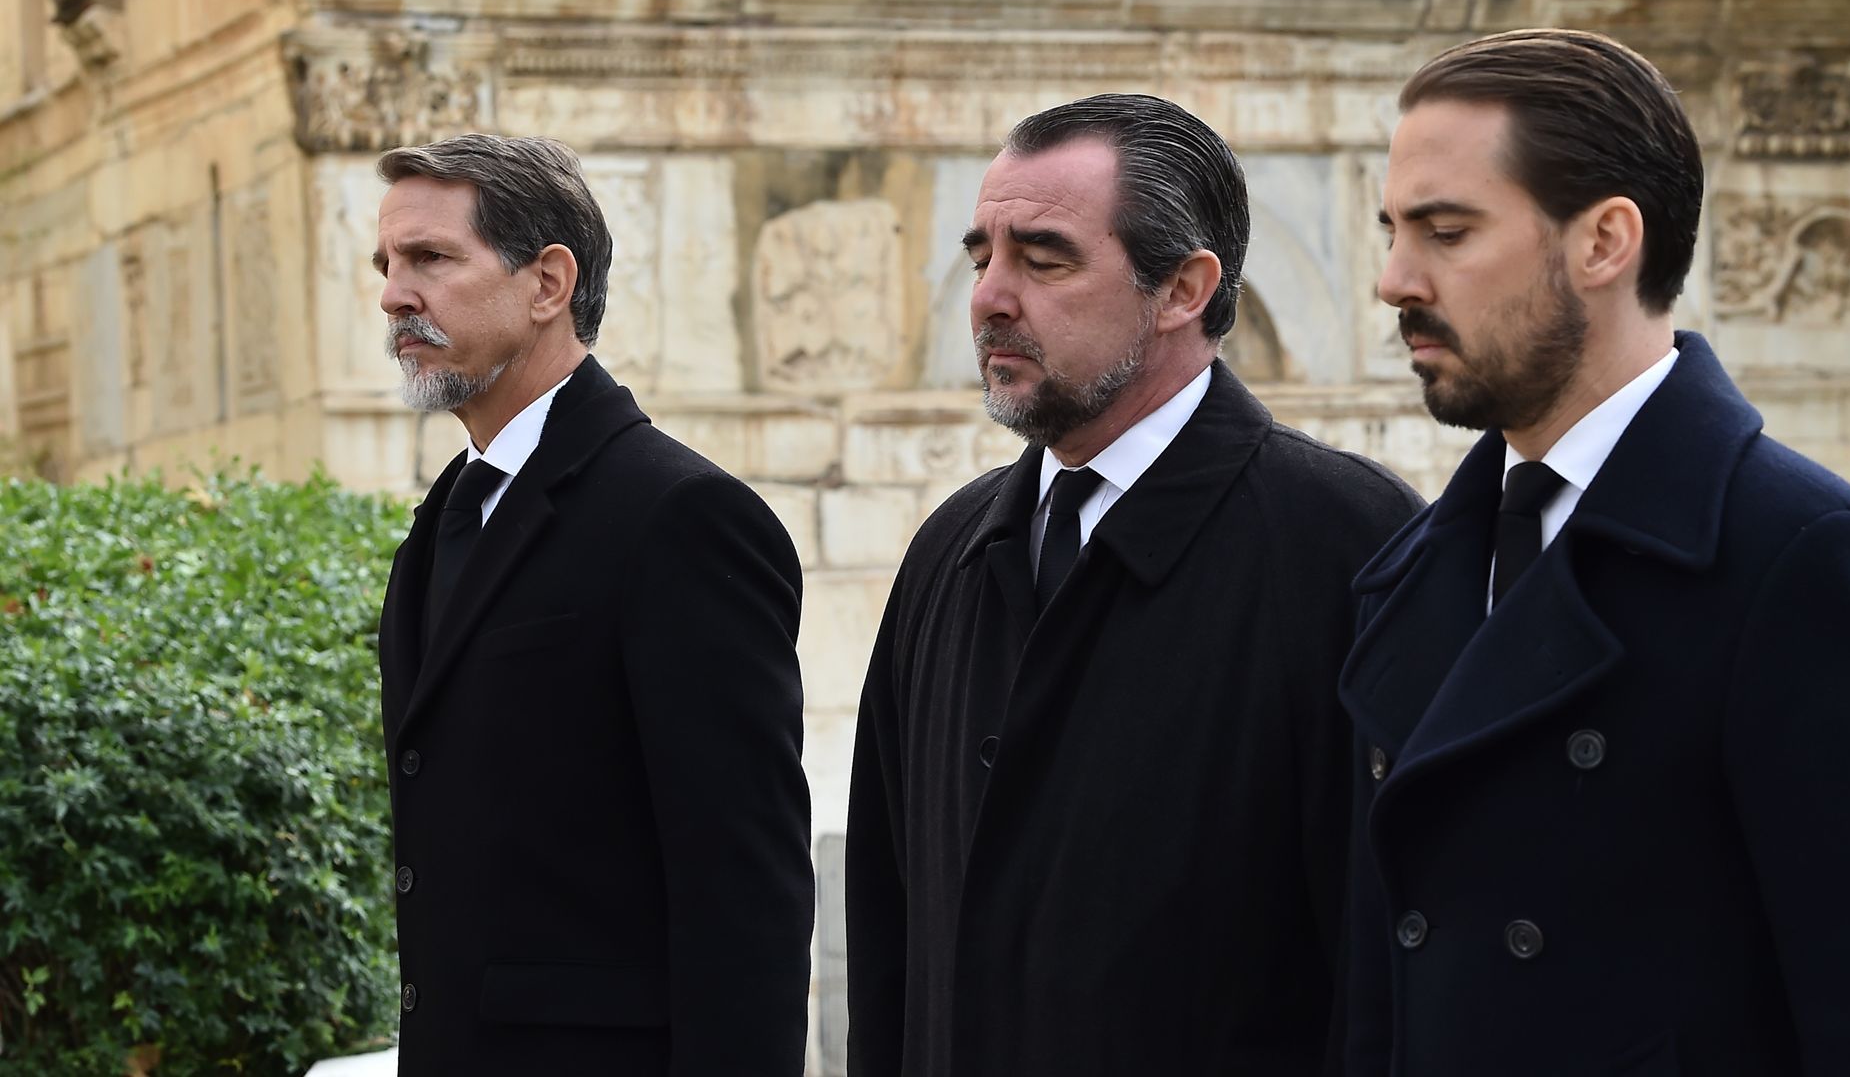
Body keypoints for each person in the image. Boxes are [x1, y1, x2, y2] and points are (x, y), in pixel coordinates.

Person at [1347, 28, 1850, 1075]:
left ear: (1605, 242)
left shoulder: (1807, 560)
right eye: (1392, 231)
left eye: (1444, 231)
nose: (1393, 280)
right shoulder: (1409, 572)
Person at [843, 93, 1423, 1077]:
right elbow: (888, 929)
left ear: (1183, 289)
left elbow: (1394, 967)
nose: (987, 296)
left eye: (1044, 257)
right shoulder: (950, 552)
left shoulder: (1352, 545)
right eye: (982, 254)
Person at [371, 134, 812, 1076]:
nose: (394, 294)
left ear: (548, 283)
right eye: (388, 265)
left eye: (432, 259)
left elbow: (745, 894)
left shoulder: (683, 517)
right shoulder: (440, 524)